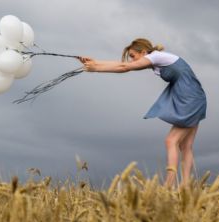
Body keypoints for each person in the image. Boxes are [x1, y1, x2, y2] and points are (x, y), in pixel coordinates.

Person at [79, 38, 207, 188]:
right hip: (194, 96)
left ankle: (168, 185)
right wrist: (96, 62)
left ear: (144, 52)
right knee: (185, 146)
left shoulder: (155, 57)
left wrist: (96, 69)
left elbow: (124, 67)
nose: (132, 60)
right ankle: (185, 187)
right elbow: (124, 64)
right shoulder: (156, 58)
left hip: (190, 98)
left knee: (171, 141)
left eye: (133, 56)